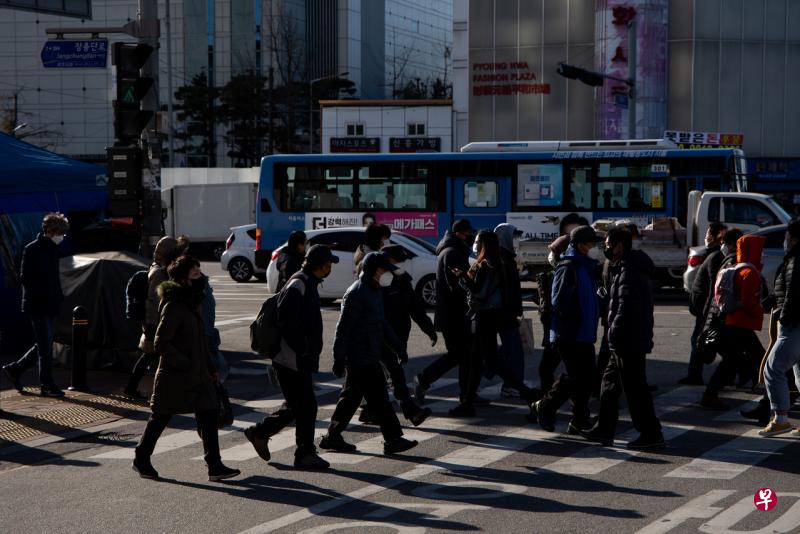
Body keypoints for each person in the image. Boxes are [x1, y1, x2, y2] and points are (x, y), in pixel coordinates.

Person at [132, 256, 240, 481]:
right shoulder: (174, 305)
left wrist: (211, 367)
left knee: (209, 414)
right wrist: (186, 363)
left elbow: (200, 342)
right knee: (160, 417)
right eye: (196, 274)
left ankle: (215, 466)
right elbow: (161, 343)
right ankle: (141, 457)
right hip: (175, 375)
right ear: (183, 279)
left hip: (199, 374)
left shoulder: (193, 303)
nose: (201, 278)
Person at [244, 245, 339, 469]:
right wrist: (303, 349)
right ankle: (304, 453)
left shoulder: (308, 283)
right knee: (306, 406)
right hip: (290, 358)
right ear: (319, 265)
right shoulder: (299, 284)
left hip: (296, 357)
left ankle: (260, 433)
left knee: (298, 405)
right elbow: (287, 322)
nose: (330, 267)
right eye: (328, 264)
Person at [320, 252, 419, 455]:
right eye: (384, 270)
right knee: (380, 398)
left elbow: (381, 324)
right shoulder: (357, 292)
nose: (387, 274)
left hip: (369, 354)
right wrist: (339, 358)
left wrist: (398, 347)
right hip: (359, 356)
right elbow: (343, 328)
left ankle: (333, 436)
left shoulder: (373, 291)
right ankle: (392, 439)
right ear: (376, 271)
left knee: (350, 398)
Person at [580, 228, 664, 449]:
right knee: (609, 384)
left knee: (635, 387)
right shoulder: (619, 267)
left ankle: (651, 433)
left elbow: (626, 307)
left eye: (608, 244)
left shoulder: (630, 270)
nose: (605, 248)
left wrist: (614, 333)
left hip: (629, 338)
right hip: (620, 338)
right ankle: (604, 429)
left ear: (619, 246)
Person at [449, 231, 542, 417]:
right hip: (497, 316)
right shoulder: (502, 263)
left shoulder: (485, 265)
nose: (474, 245)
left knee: (489, 361)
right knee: (479, 361)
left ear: (483, 244)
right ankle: (468, 403)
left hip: (486, 317)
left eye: (477, 242)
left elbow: (479, 293)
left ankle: (527, 393)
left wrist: (463, 278)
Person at [530, 225, 602, 434]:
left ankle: (579, 419)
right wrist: (574, 322)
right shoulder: (569, 266)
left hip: (584, 332)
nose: (593, 246)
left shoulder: (585, 266)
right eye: (591, 243)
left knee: (584, 377)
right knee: (576, 376)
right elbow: (560, 302)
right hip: (570, 333)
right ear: (580, 245)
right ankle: (545, 406)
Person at [357, 244, 435, 426]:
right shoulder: (373, 283)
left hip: (397, 336)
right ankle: (411, 412)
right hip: (379, 338)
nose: (401, 265)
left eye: (402, 262)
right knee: (394, 374)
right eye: (397, 261)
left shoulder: (402, 280)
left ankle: (368, 411)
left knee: (377, 379)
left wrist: (429, 329)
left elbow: (415, 308)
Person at [3, 213, 69, 397]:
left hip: (51, 303)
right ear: (49, 231)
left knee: (45, 343)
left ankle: (15, 369)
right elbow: (24, 277)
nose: (61, 237)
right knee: (46, 347)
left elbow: (55, 279)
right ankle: (46, 384)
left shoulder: (53, 250)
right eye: (59, 233)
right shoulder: (32, 249)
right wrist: (44, 291)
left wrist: (57, 298)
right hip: (37, 305)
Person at [414, 219, 476, 405]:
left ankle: (467, 394)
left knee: (463, 355)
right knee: (460, 354)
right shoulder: (452, 253)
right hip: (454, 314)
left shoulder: (451, 250)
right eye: (467, 233)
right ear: (459, 234)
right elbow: (455, 285)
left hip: (453, 313)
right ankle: (424, 379)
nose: (470, 237)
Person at [700, 234, 766, 410]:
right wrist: (761, 311)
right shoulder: (749, 273)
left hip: (732, 321)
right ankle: (771, 395)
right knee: (757, 357)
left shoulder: (736, 268)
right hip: (741, 323)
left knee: (736, 359)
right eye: (760, 250)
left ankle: (711, 394)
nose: (762, 254)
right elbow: (748, 302)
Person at [125, 236, 182, 399]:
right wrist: (152, 325)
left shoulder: (160, 268)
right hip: (155, 322)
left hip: (156, 321)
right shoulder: (158, 272)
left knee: (151, 356)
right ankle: (134, 388)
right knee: (151, 356)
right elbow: (153, 300)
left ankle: (133, 388)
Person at [760, 219, 800, 436]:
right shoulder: (793, 260)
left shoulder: (796, 260)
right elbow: (784, 289)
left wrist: (784, 317)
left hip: (793, 325)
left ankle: (781, 419)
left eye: (787, 237)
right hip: (795, 323)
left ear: (793, 238)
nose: (785, 241)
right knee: (799, 374)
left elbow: (794, 292)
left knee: (772, 369)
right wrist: (768, 302)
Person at [681, 222, 728, 385]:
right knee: (709, 342)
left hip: (705, 310)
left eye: (708, 234)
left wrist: (708, 312)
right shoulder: (712, 254)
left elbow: (712, 289)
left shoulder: (715, 257)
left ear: (716, 237)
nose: (706, 237)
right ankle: (694, 374)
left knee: (701, 341)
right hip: (703, 309)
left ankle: (695, 375)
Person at [494, 223, 526, 398]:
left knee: (505, 351)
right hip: (504, 312)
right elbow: (507, 290)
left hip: (506, 312)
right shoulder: (502, 259)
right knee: (514, 351)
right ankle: (512, 384)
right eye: (513, 237)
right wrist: (514, 309)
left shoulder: (507, 257)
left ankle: (478, 376)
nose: (515, 241)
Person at [537, 234, 570, 393]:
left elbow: (556, 305)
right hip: (561, 331)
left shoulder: (563, 273)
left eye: (555, 252)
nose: (552, 256)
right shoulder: (559, 272)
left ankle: (546, 406)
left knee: (546, 369)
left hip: (559, 332)